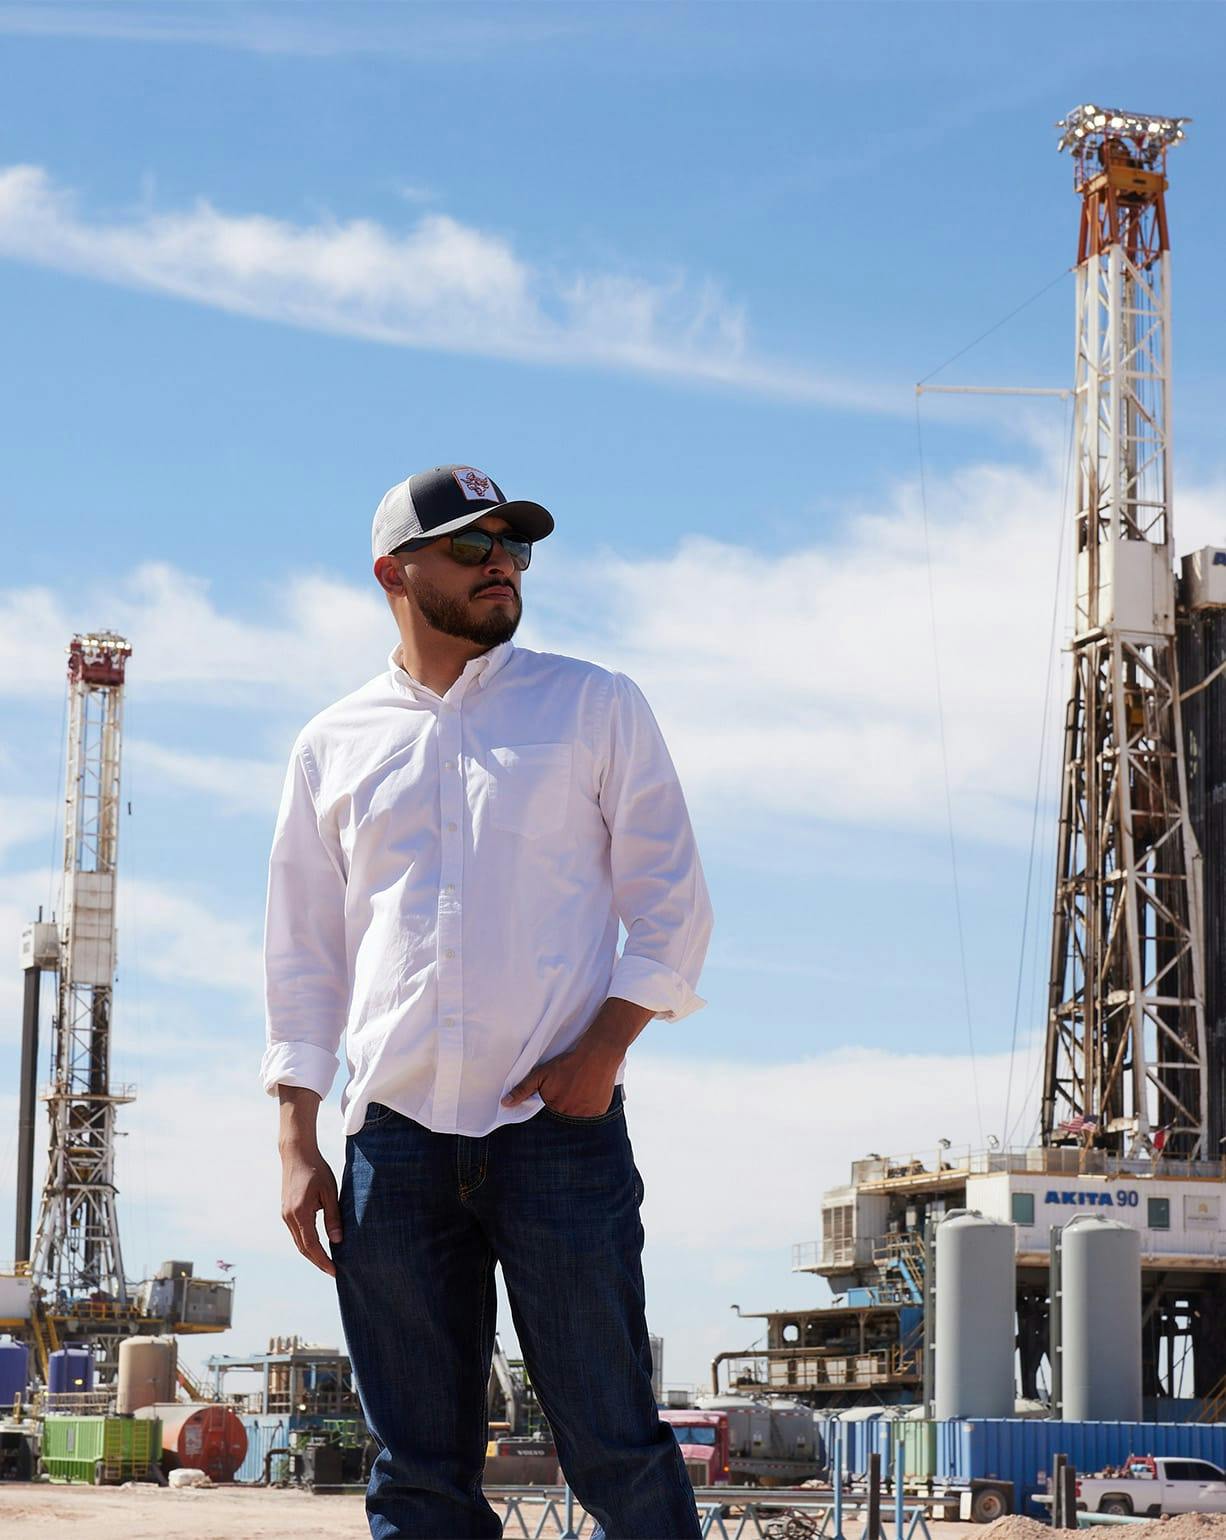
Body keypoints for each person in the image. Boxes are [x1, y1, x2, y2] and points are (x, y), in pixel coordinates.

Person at [261, 464, 713, 1539]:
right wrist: (295, 1133)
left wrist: (601, 1052)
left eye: (513, 546)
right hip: (393, 1146)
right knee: (417, 1474)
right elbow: (303, 952)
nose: (502, 563)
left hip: (556, 1134)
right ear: (393, 571)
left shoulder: (594, 704)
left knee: (613, 1442)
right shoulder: (332, 743)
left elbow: (673, 909)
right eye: (471, 547)